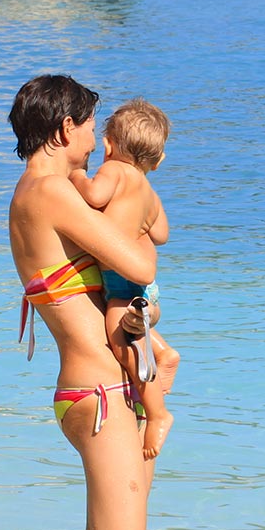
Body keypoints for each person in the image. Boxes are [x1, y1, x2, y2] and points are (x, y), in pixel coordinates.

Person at [8, 73, 160, 530]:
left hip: (84, 390)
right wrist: (142, 214)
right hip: (101, 392)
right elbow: (140, 264)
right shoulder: (50, 191)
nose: (96, 143)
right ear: (65, 127)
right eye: (92, 128)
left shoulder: (25, 196)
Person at [69, 98, 180, 461]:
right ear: (158, 161)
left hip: (120, 283)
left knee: (121, 344)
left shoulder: (113, 172)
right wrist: (139, 223)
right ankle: (163, 352)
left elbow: (94, 195)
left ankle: (159, 414)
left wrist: (76, 178)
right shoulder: (149, 191)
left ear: (108, 145)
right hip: (139, 286)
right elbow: (161, 233)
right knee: (132, 335)